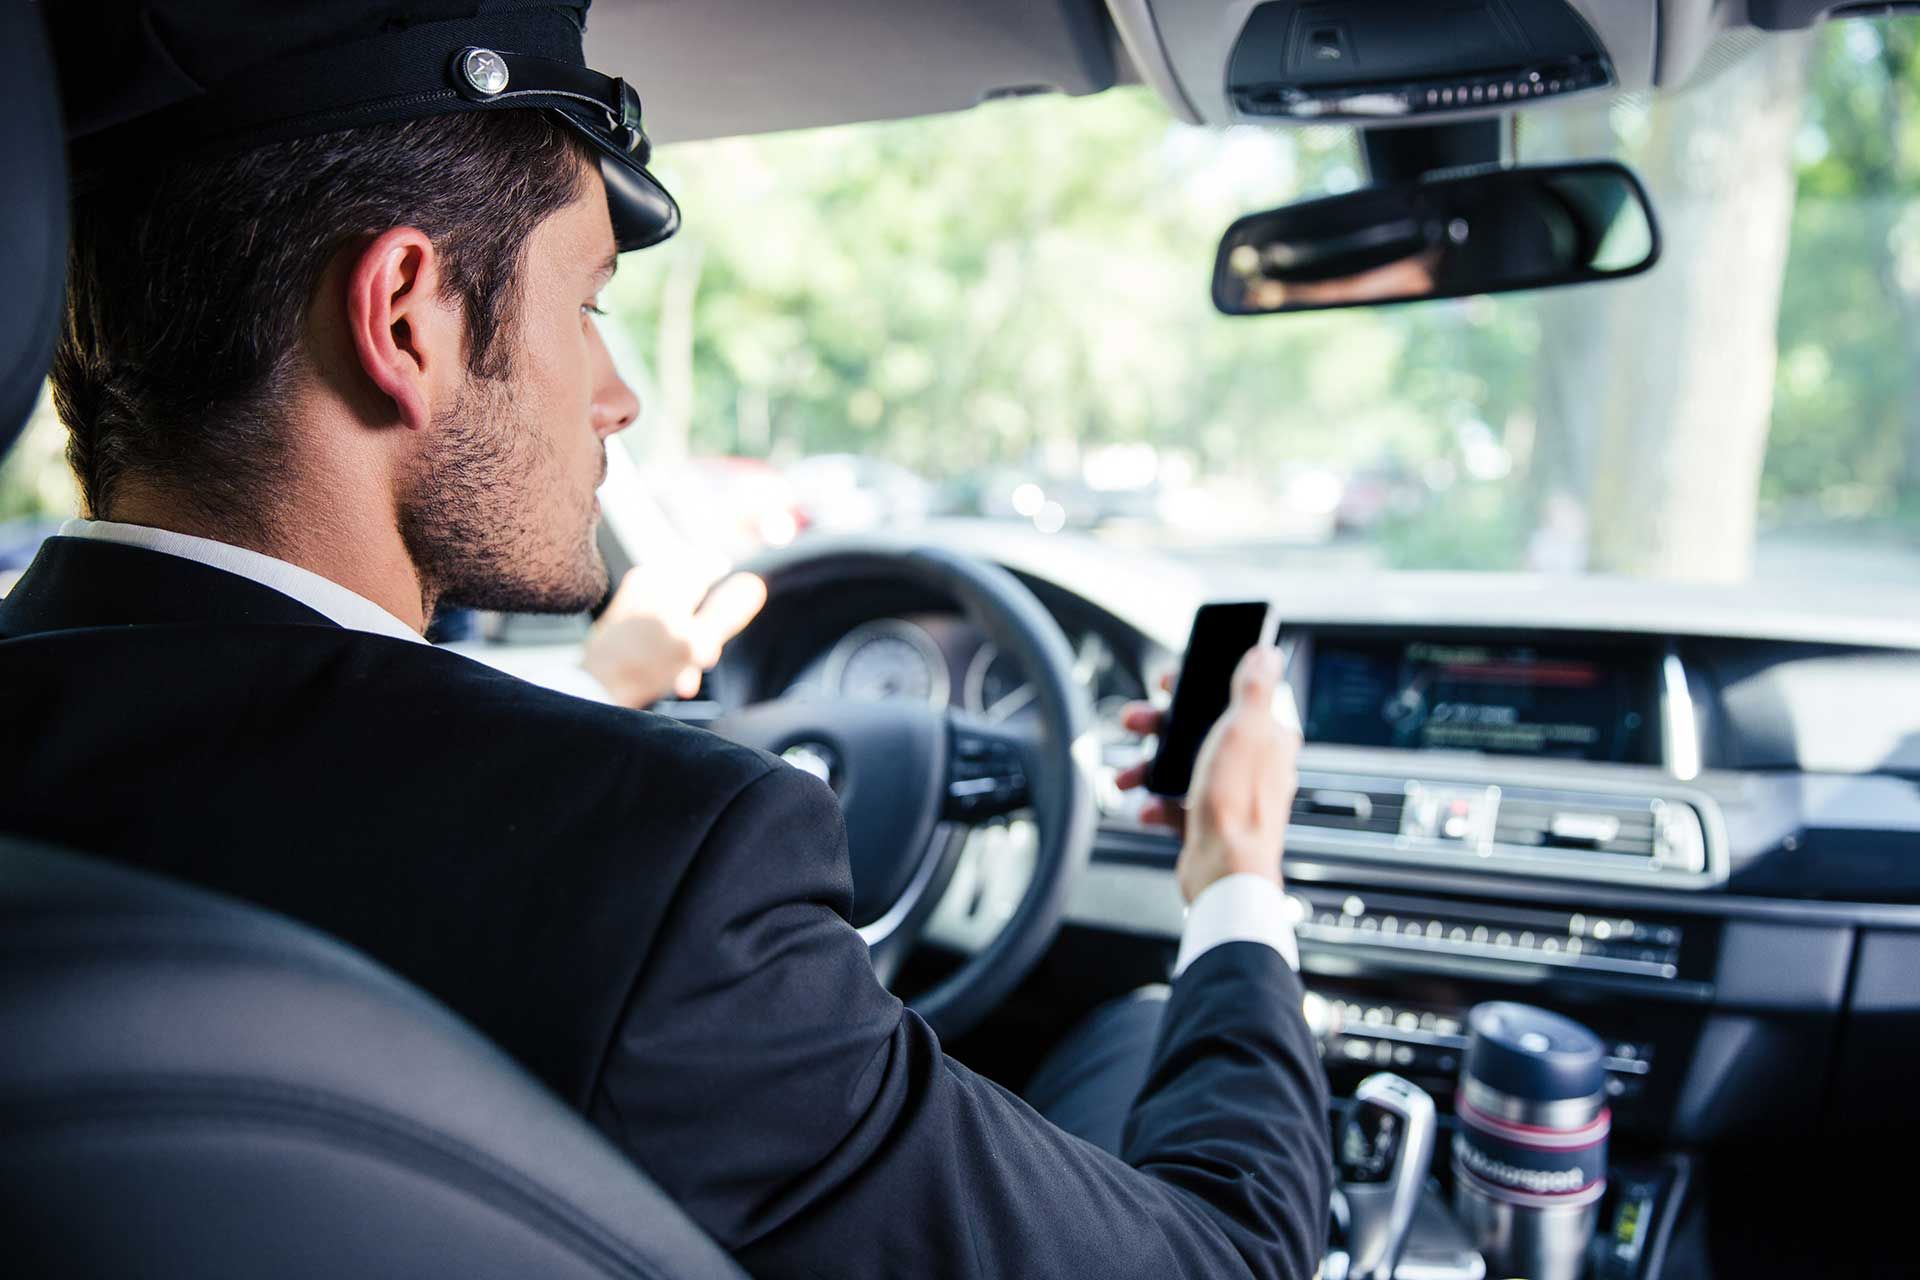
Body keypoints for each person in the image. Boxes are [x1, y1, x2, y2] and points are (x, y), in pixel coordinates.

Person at [0, 3, 1331, 1277]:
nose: (618, 395)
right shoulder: (664, 868)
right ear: (405, 315)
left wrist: (591, 694)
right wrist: (1233, 883)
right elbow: (1233, 1255)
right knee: (1141, 1026)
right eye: (586, 305)